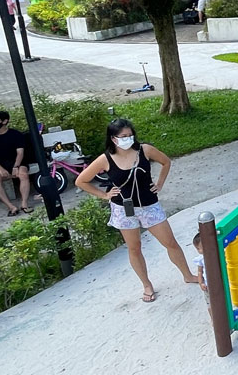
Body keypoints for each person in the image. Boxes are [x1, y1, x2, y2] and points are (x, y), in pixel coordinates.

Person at [75, 119, 198, 303]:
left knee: (170, 242)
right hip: (124, 208)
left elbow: (165, 162)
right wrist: (104, 195)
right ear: (114, 138)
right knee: (134, 248)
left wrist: (159, 184)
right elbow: (81, 181)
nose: (128, 139)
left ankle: (187, 275)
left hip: (149, 205)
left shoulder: (145, 150)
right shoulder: (105, 159)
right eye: (123, 136)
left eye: (130, 135)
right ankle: (146, 285)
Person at [0, 111, 32, 216]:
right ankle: (11, 207)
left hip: (16, 161)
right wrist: (0, 169)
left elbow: (20, 153)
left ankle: (24, 204)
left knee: (23, 174)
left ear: (5, 121)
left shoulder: (16, 134)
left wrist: (16, 166)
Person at [192, 233, 211, 319]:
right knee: (210, 305)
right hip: (207, 286)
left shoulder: (217, 254)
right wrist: (201, 283)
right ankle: (213, 319)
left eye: (201, 247)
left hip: (219, 284)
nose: (199, 250)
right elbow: (200, 272)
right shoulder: (200, 259)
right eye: (197, 249)